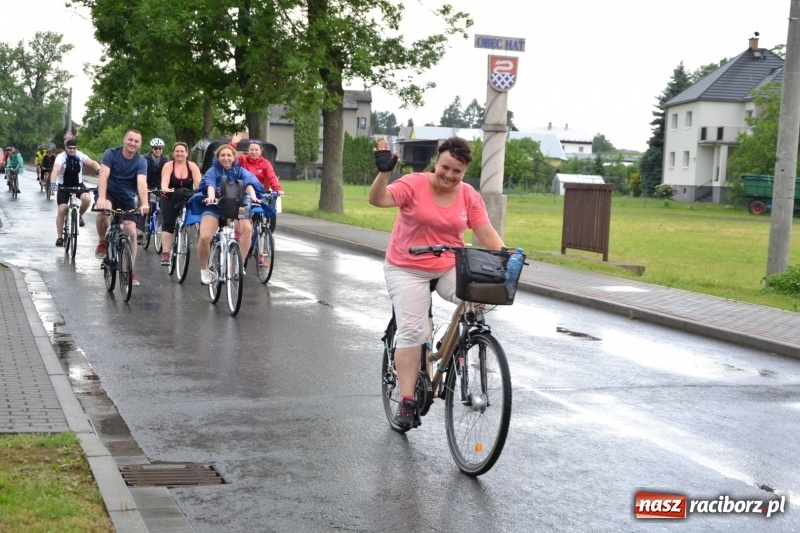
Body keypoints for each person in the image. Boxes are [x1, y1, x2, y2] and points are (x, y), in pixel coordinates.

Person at [368, 137, 504, 430]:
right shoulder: (414, 183)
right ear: (436, 162)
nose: (450, 175)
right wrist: (384, 174)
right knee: (412, 331)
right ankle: (406, 400)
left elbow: (486, 233)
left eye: (457, 171)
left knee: (479, 295)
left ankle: (451, 345)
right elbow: (378, 199)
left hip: (447, 266)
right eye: (445, 167)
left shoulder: (468, 195)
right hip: (406, 267)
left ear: (465, 172)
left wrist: (506, 261)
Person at [188, 144, 263, 285]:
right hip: (214, 206)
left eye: (229, 155)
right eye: (222, 155)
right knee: (204, 237)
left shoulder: (240, 170)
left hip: (235, 207)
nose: (226, 158)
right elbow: (209, 184)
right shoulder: (212, 171)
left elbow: (249, 183)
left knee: (247, 229)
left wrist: (253, 197)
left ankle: (238, 265)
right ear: (218, 157)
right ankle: (204, 270)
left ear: (234, 157)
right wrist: (211, 196)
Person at [94, 129, 150, 286]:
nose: (133, 143)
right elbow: (103, 175)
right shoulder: (111, 154)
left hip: (127, 197)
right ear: (124, 139)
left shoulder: (141, 161)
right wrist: (102, 198)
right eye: (130, 139)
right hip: (109, 192)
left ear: (140, 144)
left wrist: (144, 203)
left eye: (136, 141)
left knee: (131, 232)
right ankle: (102, 241)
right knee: (104, 214)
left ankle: (129, 271)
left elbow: (142, 183)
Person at [50, 139, 101, 246]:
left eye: (74, 148)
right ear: (66, 148)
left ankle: (79, 216)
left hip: (78, 184)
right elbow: (55, 170)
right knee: (62, 210)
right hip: (64, 186)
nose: (72, 150)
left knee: (87, 199)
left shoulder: (79, 155)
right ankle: (59, 237)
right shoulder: (61, 157)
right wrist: (53, 184)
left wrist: (99, 170)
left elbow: (92, 162)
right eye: (70, 148)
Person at [158, 142, 201, 265]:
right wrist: (165, 188)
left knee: (194, 216)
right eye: (177, 151)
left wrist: (202, 191)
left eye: (182, 151)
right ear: (173, 153)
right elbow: (165, 179)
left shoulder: (192, 166)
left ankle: (186, 233)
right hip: (170, 196)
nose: (179, 153)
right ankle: (165, 253)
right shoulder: (168, 165)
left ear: (187, 153)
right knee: (168, 223)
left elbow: (198, 182)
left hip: (186, 196)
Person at [229, 134, 283, 232]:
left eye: (256, 150)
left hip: (259, 192)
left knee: (264, 207)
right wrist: (233, 144)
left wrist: (277, 189)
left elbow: (271, 176)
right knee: (242, 212)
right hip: (242, 192)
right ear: (248, 150)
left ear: (260, 151)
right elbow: (230, 158)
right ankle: (240, 229)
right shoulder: (242, 159)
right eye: (251, 149)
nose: (254, 152)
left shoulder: (265, 163)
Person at [137, 137, 169, 244]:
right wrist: (142, 186)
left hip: (158, 186)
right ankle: (140, 231)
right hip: (145, 185)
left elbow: (167, 175)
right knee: (143, 205)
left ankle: (158, 225)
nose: (158, 150)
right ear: (152, 149)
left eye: (160, 148)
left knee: (159, 206)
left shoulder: (165, 161)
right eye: (156, 148)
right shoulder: (144, 159)